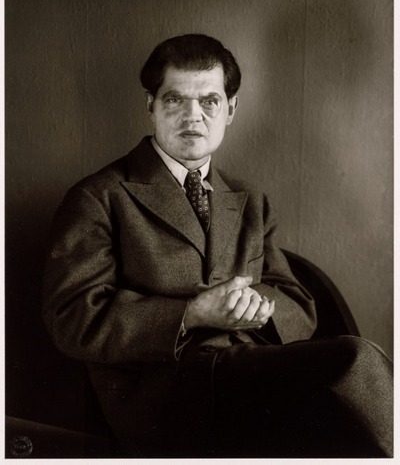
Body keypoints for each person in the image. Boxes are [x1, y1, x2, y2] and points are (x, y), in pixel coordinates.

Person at [42, 34, 392, 458]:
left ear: (231, 109)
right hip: (163, 398)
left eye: (209, 101)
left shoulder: (249, 200)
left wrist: (257, 307)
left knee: (342, 419)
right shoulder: (99, 197)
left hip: (249, 379)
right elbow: (73, 318)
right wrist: (191, 314)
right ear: (151, 105)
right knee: (355, 362)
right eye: (175, 99)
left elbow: (298, 304)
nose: (193, 116)